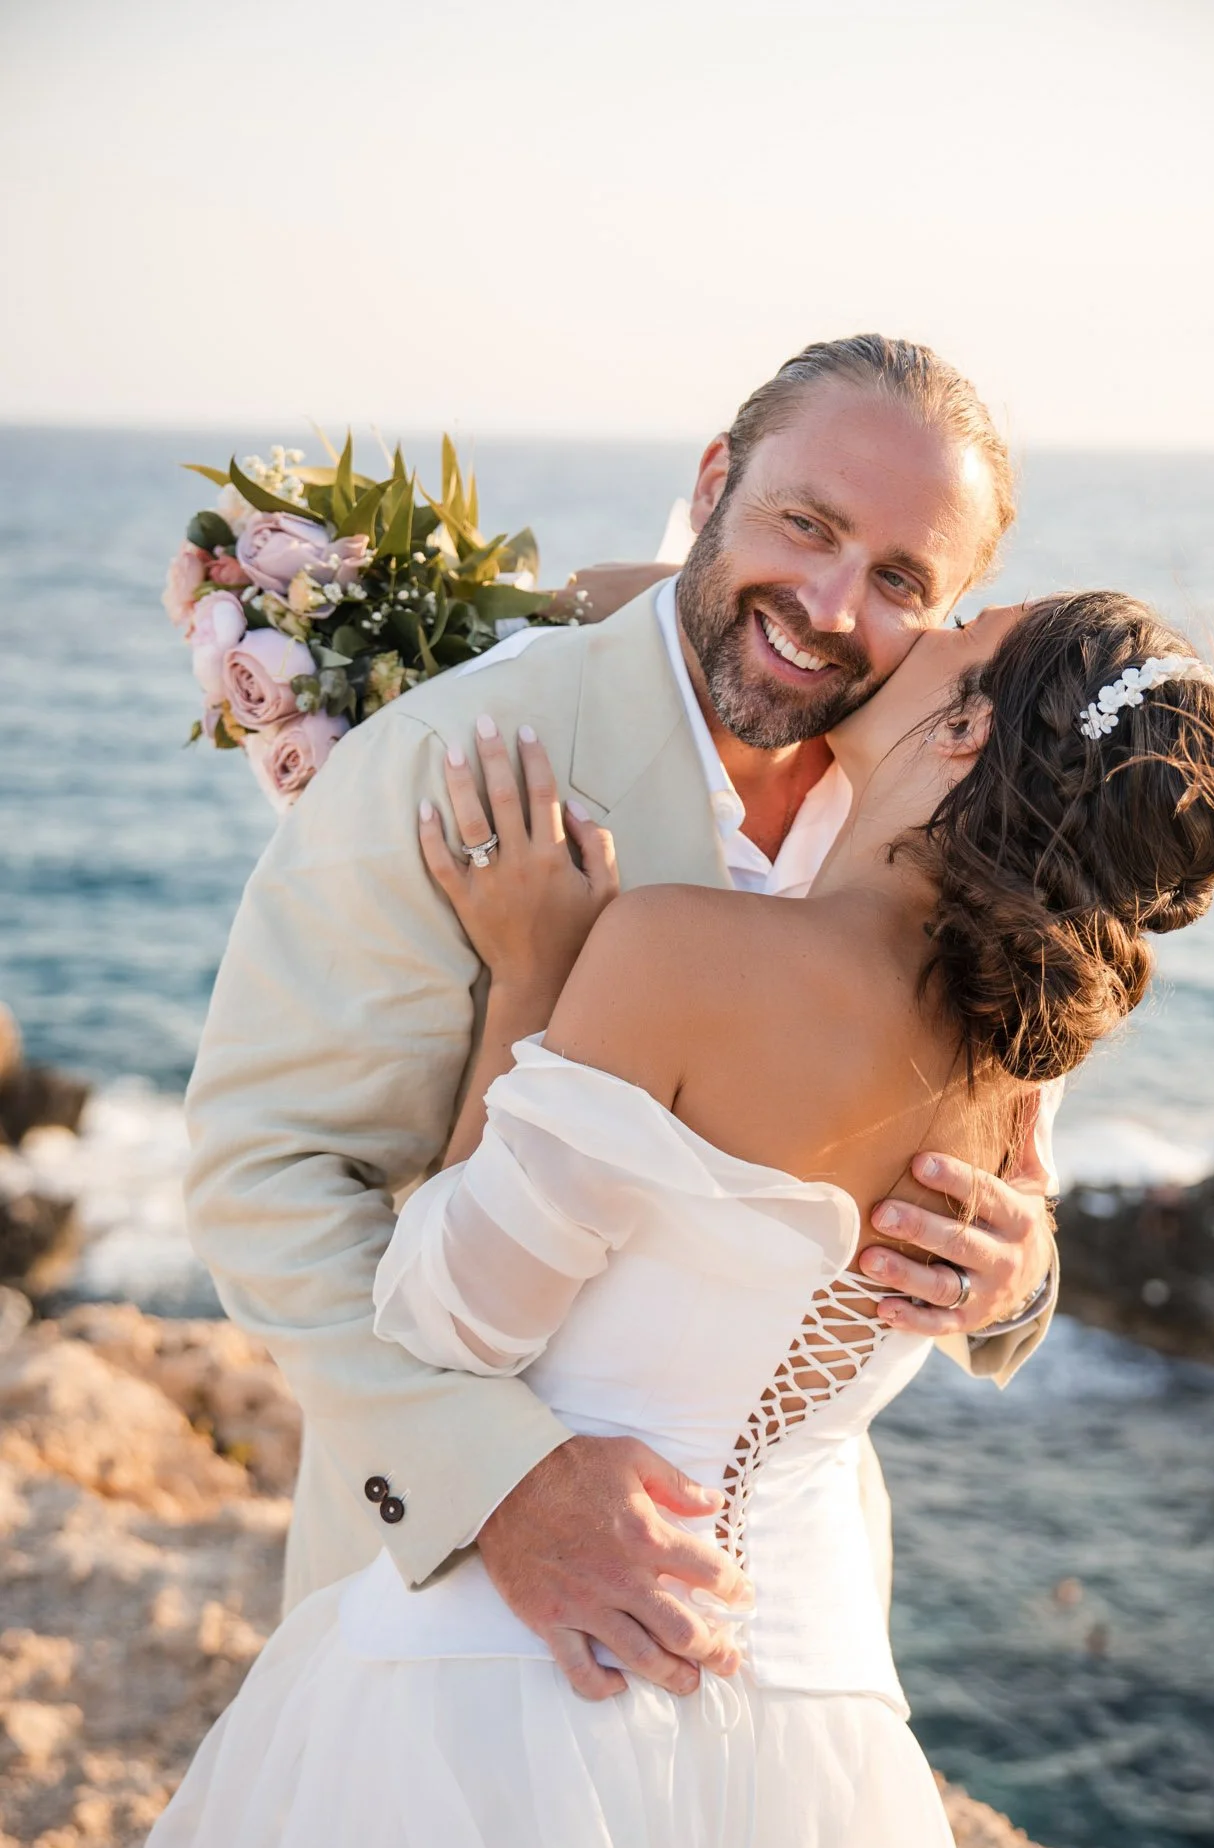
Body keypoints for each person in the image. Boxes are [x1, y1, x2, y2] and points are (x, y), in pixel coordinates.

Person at [142, 589, 1214, 1848]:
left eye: (962, 628)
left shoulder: (675, 952)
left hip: (525, 1686)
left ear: (963, 728)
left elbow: (439, 1316)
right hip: (811, 1723)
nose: (920, 628)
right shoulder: (1015, 1066)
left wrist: (529, 987)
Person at [183, 337, 1061, 1700]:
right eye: (806, 523)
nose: (831, 605)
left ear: (954, 612)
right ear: (717, 478)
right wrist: (502, 1490)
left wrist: (1017, 1279)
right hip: (444, 1625)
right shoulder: (454, 756)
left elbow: (1002, 1190)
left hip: (778, 1638)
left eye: (898, 577)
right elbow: (266, 1175)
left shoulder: (972, 842)